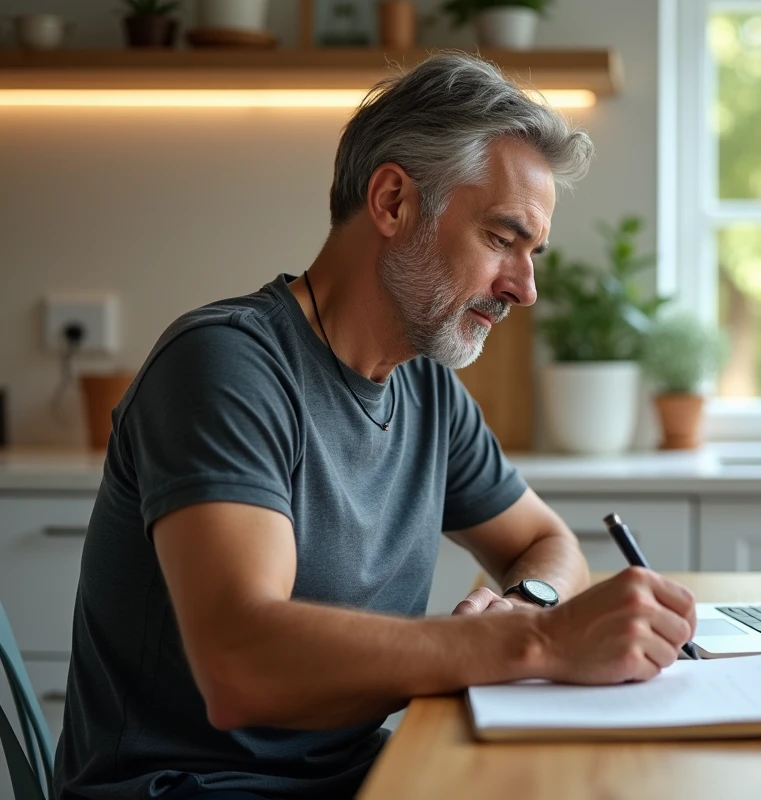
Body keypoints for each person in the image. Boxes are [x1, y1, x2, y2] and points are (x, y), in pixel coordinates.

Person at [53, 53, 697, 800]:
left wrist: (531, 605)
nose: (524, 289)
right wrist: (536, 641)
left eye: (533, 253)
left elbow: (545, 543)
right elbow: (241, 668)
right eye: (501, 238)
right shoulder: (226, 365)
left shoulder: (425, 389)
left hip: (355, 775)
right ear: (393, 202)